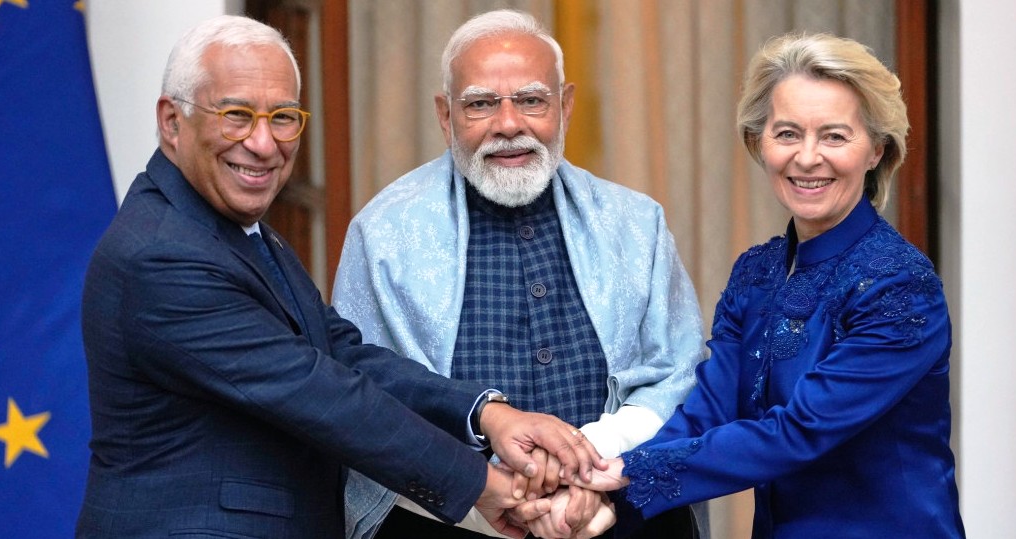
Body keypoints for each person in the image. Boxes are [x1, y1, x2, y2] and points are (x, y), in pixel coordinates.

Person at [77, 15, 604, 539]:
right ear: (172, 121)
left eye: (283, 117)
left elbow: (341, 354)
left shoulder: (232, 229)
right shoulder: (162, 253)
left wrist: (487, 413)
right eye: (236, 115)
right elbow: (322, 393)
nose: (264, 143)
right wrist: (483, 485)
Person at [570, 32, 966, 539]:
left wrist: (624, 475)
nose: (807, 157)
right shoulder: (756, 273)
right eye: (787, 133)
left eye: (834, 136)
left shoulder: (899, 285)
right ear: (758, 143)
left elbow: (799, 432)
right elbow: (708, 413)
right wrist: (600, 477)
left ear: (876, 151)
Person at [333, 9, 708, 539]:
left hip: (622, 515)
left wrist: (590, 464)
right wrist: (487, 491)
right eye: (480, 104)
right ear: (445, 116)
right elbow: (364, 399)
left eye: (531, 100)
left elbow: (679, 375)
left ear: (566, 106)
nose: (509, 124)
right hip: (446, 520)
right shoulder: (383, 234)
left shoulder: (635, 223)